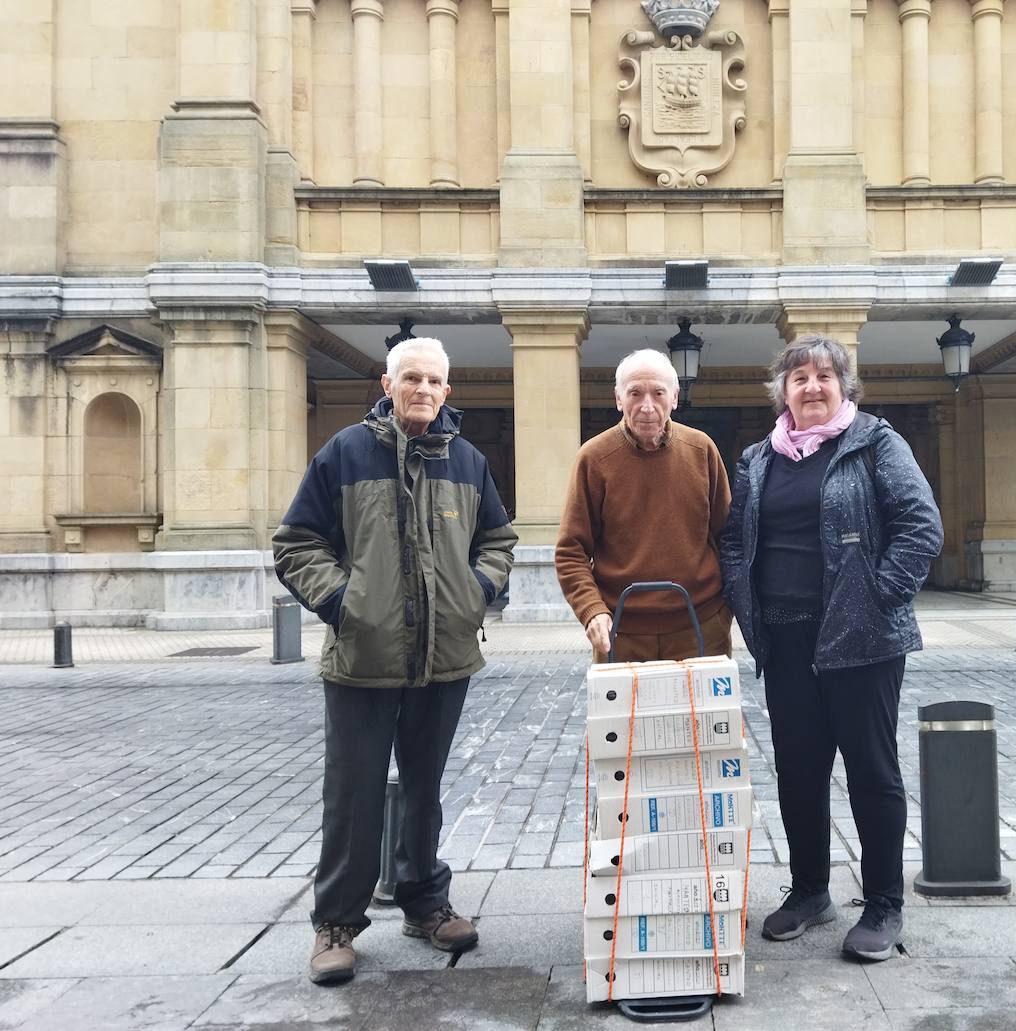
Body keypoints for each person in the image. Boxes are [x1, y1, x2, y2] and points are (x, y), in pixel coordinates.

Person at [273, 336, 517, 985]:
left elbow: (497, 537)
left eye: (434, 381)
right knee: (352, 793)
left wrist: (476, 593)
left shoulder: (467, 461)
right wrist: (342, 602)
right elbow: (296, 541)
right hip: (363, 656)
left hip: (446, 657)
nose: (422, 390)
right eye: (411, 378)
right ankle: (337, 922)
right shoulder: (344, 453)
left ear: (447, 391)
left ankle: (425, 903)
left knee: (423, 788)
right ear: (388, 383)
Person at [719, 334, 943, 962]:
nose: (812, 387)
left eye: (824, 376)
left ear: (844, 385)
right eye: (799, 378)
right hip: (786, 638)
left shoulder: (875, 443)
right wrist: (747, 609)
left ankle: (882, 905)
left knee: (871, 772)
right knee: (798, 770)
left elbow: (920, 527)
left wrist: (876, 600)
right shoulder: (759, 459)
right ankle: (811, 892)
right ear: (782, 390)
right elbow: (735, 540)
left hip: (862, 639)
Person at [555, 349, 732, 661]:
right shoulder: (594, 459)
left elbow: (729, 538)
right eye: (635, 393)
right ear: (619, 399)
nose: (647, 406)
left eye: (658, 393)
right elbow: (571, 552)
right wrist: (591, 611)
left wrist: (726, 610)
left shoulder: (701, 449)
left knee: (700, 713)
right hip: (621, 631)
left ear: (675, 398)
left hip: (701, 625)